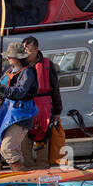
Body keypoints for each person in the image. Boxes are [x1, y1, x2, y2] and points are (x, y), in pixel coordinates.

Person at [0, 43, 38, 171]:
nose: (8, 59)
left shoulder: (27, 72)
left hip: (22, 113)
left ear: (18, 58)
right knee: (12, 148)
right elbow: (0, 87)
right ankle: (20, 174)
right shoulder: (9, 69)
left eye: (10, 57)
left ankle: (20, 174)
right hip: (9, 111)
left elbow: (20, 92)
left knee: (8, 148)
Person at [23, 35, 63, 168]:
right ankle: (27, 167)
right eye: (23, 49)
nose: (25, 52)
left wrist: (57, 110)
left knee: (44, 136)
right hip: (26, 106)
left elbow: (55, 87)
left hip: (44, 106)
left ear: (36, 49)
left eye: (27, 49)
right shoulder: (19, 64)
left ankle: (43, 166)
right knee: (25, 138)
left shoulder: (47, 64)